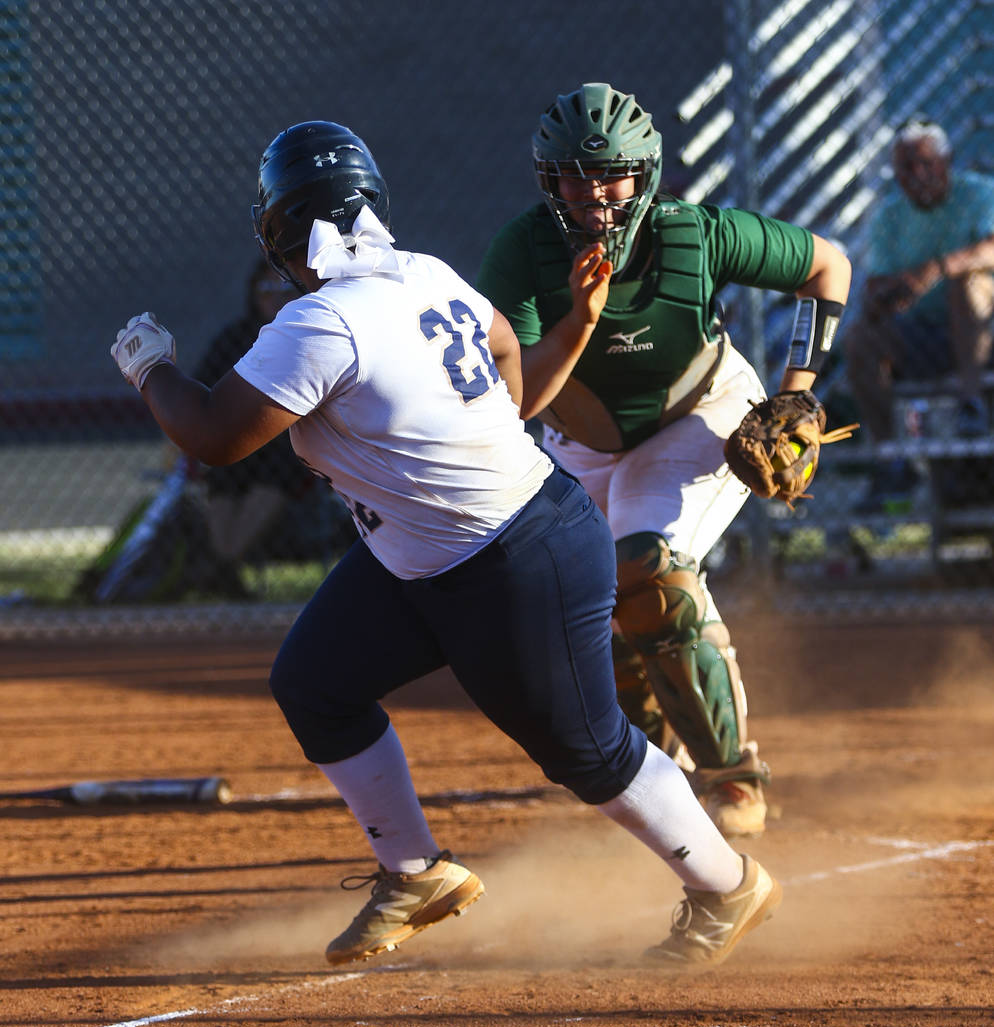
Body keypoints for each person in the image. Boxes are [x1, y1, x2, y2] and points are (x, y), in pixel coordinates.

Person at [109, 120, 781, 969]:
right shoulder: (424, 273)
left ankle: (727, 886)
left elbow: (211, 436)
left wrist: (149, 367)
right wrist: (492, 420)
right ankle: (415, 872)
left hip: (516, 558)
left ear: (281, 228)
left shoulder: (319, 322)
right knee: (316, 684)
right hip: (425, 556)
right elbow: (505, 346)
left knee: (589, 752)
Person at [476, 83, 853, 838]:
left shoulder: (694, 233)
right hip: (579, 442)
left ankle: (732, 776)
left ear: (644, 173)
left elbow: (828, 266)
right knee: (582, 610)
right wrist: (581, 319)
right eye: (571, 177)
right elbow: (517, 402)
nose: (592, 193)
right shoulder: (522, 251)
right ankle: (656, 761)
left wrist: (798, 398)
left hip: (698, 417)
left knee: (648, 569)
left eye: (611, 173)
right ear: (546, 180)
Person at [844, 119, 994, 507]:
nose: (917, 174)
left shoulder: (979, 194)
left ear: (946, 161)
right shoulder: (889, 217)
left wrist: (935, 270)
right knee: (860, 338)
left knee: (967, 284)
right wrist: (889, 295)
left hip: (983, 334)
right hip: (921, 336)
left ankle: (970, 405)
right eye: (906, 167)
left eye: (926, 163)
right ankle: (893, 459)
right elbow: (875, 284)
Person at [187, 259, 316, 597]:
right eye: (266, 289)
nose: (275, 298)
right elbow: (202, 388)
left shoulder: (311, 333)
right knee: (222, 484)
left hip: (284, 458)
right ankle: (224, 571)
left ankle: (222, 568)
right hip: (237, 453)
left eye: (285, 289)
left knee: (270, 482)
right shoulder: (236, 337)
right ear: (253, 294)